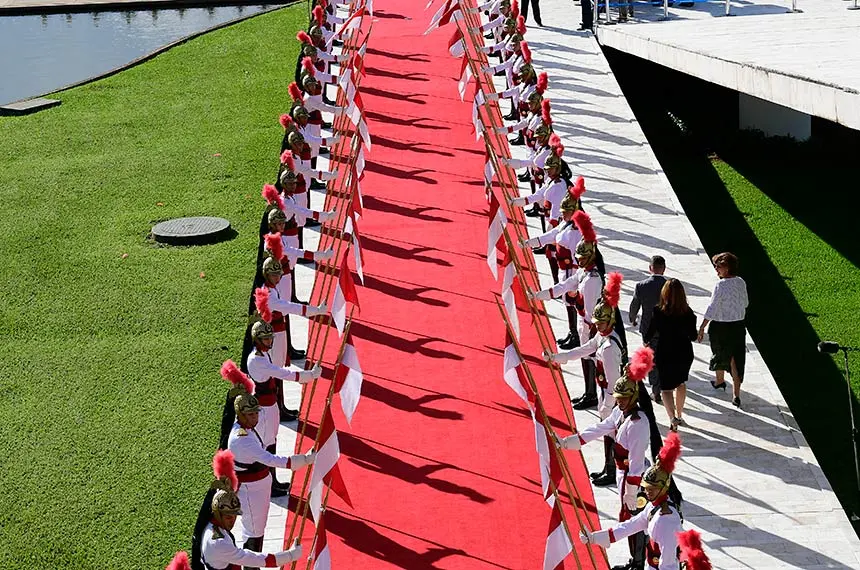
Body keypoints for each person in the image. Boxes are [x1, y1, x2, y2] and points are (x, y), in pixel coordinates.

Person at [556, 347, 656, 570]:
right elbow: (603, 426)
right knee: (628, 519)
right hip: (623, 473)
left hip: (634, 477)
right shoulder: (621, 412)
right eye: (618, 398)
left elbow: (637, 462)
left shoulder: (639, 425)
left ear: (633, 397)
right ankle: (634, 559)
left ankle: (638, 562)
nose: (618, 401)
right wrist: (571, 441)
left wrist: (631, 491)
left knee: (634, 520)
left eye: (623, 398)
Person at [221, 363, 316, 560]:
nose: (256, 416)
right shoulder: (242, 439)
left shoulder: (245, 429)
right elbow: (270, 459)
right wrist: (304, 459)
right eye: (251, 414)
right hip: (251, 490)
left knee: (259, 530)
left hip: (257, 487)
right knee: (254, 534)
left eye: (256, 412)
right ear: (241, 415)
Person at [545, 272, 624, 488]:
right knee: (607, 432)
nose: (596, 326)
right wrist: (559, 357)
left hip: (611, 396)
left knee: (610, 433)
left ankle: (611, 468)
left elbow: (614, 382)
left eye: (600, 323)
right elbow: (585, 349)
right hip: (603, 391)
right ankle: (608, 466)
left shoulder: (609, 349)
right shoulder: (603, 336)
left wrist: (608, 405)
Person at [579, 432, 685, 570]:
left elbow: (668, 565)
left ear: (664, 488)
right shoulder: (653, 507)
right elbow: (630, 526)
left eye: (652, 489)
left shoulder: (666, 520)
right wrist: (595, 537)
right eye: (646, 487)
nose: (647, 492)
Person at [532, 210, 603, 410]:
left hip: (589, 325)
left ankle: (591, 393)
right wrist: (541, 295)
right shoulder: (584, 272)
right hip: (585, 323)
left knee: (589, 359)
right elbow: (566, 285)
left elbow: (588, 308)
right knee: (585, 359)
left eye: (582, 258)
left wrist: (588, 330)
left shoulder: (591, 280)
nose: (578, 260)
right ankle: (589, 391)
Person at [191, 449, 304, 570]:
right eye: (229, 517)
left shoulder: (214, 525)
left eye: (235, 516)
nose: (232, 521)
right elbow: (253, 558)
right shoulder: (218, 542)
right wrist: (290, 556)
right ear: (218, 515)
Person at [697, 252, 748, 408]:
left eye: (719, 266)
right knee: (736, 358)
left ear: (727, 267)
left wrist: (702, 326)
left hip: (720, 326)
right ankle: (735, 394)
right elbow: (745, 302)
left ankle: (720, 381)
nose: (716, 269)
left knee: (719, 353)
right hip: (738, 325)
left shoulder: (720, 285)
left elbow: (712, 307)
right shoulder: (741, 282)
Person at [645, 279, 696, 431]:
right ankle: (680, 415)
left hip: (664, 351)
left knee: (666, 388)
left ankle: (672, 418)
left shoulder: (658, 311)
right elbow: (693, 336)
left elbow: (650, 332)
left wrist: (646, 342)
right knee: (680, 383)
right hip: (683, 352)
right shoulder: (688, 313)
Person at [629, 255, 667, 402]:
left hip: (648, 328)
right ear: (664, 269)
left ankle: (655, 389)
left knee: (651, 358)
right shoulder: (670, 285)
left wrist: (632, 318)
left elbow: (635, 305)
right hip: (666, 328)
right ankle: (665, 385)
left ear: (650, 268)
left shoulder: (641, 285)